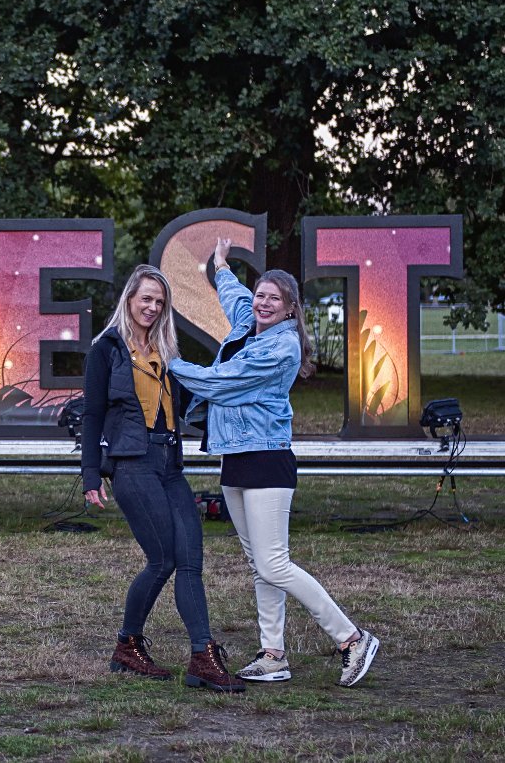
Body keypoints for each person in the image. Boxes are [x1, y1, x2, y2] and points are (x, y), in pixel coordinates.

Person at [168, 239, 380, 688]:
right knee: (257, 564)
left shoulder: (280, 348)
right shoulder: (252, 324)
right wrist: (221, 266)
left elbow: (224, 383)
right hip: (235, 458)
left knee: (274, 564)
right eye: (261, 295)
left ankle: (352, 638)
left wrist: (168, 364)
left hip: (267, 459)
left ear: (290, 309)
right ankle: (272, 655)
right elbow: (236, 297)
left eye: (274, 299)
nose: (263, 303)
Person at [81, 264, 243, 693]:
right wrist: (90, 474)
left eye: (159, 301)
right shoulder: (107, 349)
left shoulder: (167, 349)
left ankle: (202, 659)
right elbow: (93, 414)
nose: (152, 307)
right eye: (145, 299)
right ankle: (127, 644)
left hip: (170, 464)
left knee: (190, 557)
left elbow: (196, 393)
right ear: (129, 299)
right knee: (162, 558)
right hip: (132, 463)